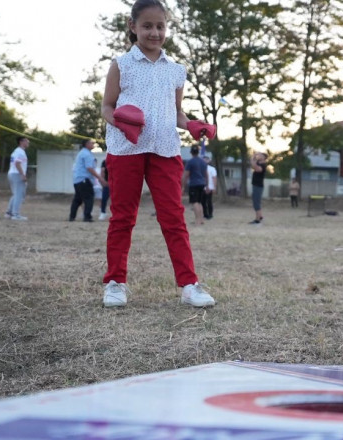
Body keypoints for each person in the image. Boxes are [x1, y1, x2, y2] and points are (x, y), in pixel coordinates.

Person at [100, 0, 216, 308]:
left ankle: (189, 284)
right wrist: (121, 122)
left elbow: (175, 113)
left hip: (165, 148)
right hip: (126, 150)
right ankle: (115, 283)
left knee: (173, 218)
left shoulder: (177, 70)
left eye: (160, 26)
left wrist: (192, 124)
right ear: (133, 26)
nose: (154, 32)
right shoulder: (121, 64)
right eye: (147, 26)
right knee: (123, 217)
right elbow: (107, 106)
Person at [69, 140, 107, 222]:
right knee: (89, 198)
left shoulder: (82, 153)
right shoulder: (87, 154)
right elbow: (89, 168)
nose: (93, 144)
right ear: (86, 144)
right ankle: (87, 217)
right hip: (84, 179)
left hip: (78, 179)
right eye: (91, 143)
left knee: (78, 199)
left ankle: (72, 216)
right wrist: (100, 178)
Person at [5, 136, 29, 221]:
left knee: (15, 194)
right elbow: (17, 163)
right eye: (26, 141)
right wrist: (22, 174)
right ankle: (16, 214)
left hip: (12, 173)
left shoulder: (16, 151)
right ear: (21, 142)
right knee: (19, 195)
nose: (28, 143)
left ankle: (9, 212)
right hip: (17, 174)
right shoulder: (20, 152)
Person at [182, 145, 208, 225]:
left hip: (194, 184)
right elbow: (206, 174)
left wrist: (183, 186)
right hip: (202, 184)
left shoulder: (190, 162)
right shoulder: (203, 162)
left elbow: (186, 175)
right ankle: (201, 219)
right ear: (198, 152)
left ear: (191, 153)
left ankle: (197, 220)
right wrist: (207, 184)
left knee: (195, 202)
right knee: (200, 202)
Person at [249, 152, 268, 224]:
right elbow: (253, 165)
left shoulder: (263, 165)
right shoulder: (258, 163)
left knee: (256, 202)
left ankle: (257, 220)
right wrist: (253, 157)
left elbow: (256, 168)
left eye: (260, 155)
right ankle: (260, 216)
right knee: (256, 201)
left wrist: (253, 157)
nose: (258, 156)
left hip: (258, 186)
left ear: (264, 157)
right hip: (255, 185)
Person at [202, 155, 216, 220]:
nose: (205, 161)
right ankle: (205, 214)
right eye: (204, 159)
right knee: (203, 201)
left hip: (210, 187)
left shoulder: (212, 169)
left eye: (206, 159)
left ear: (209, 160)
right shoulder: (201, 168)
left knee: (209, 201)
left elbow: (214, 178)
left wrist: (214, 187)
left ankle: (210, 214)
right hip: (202, 187)